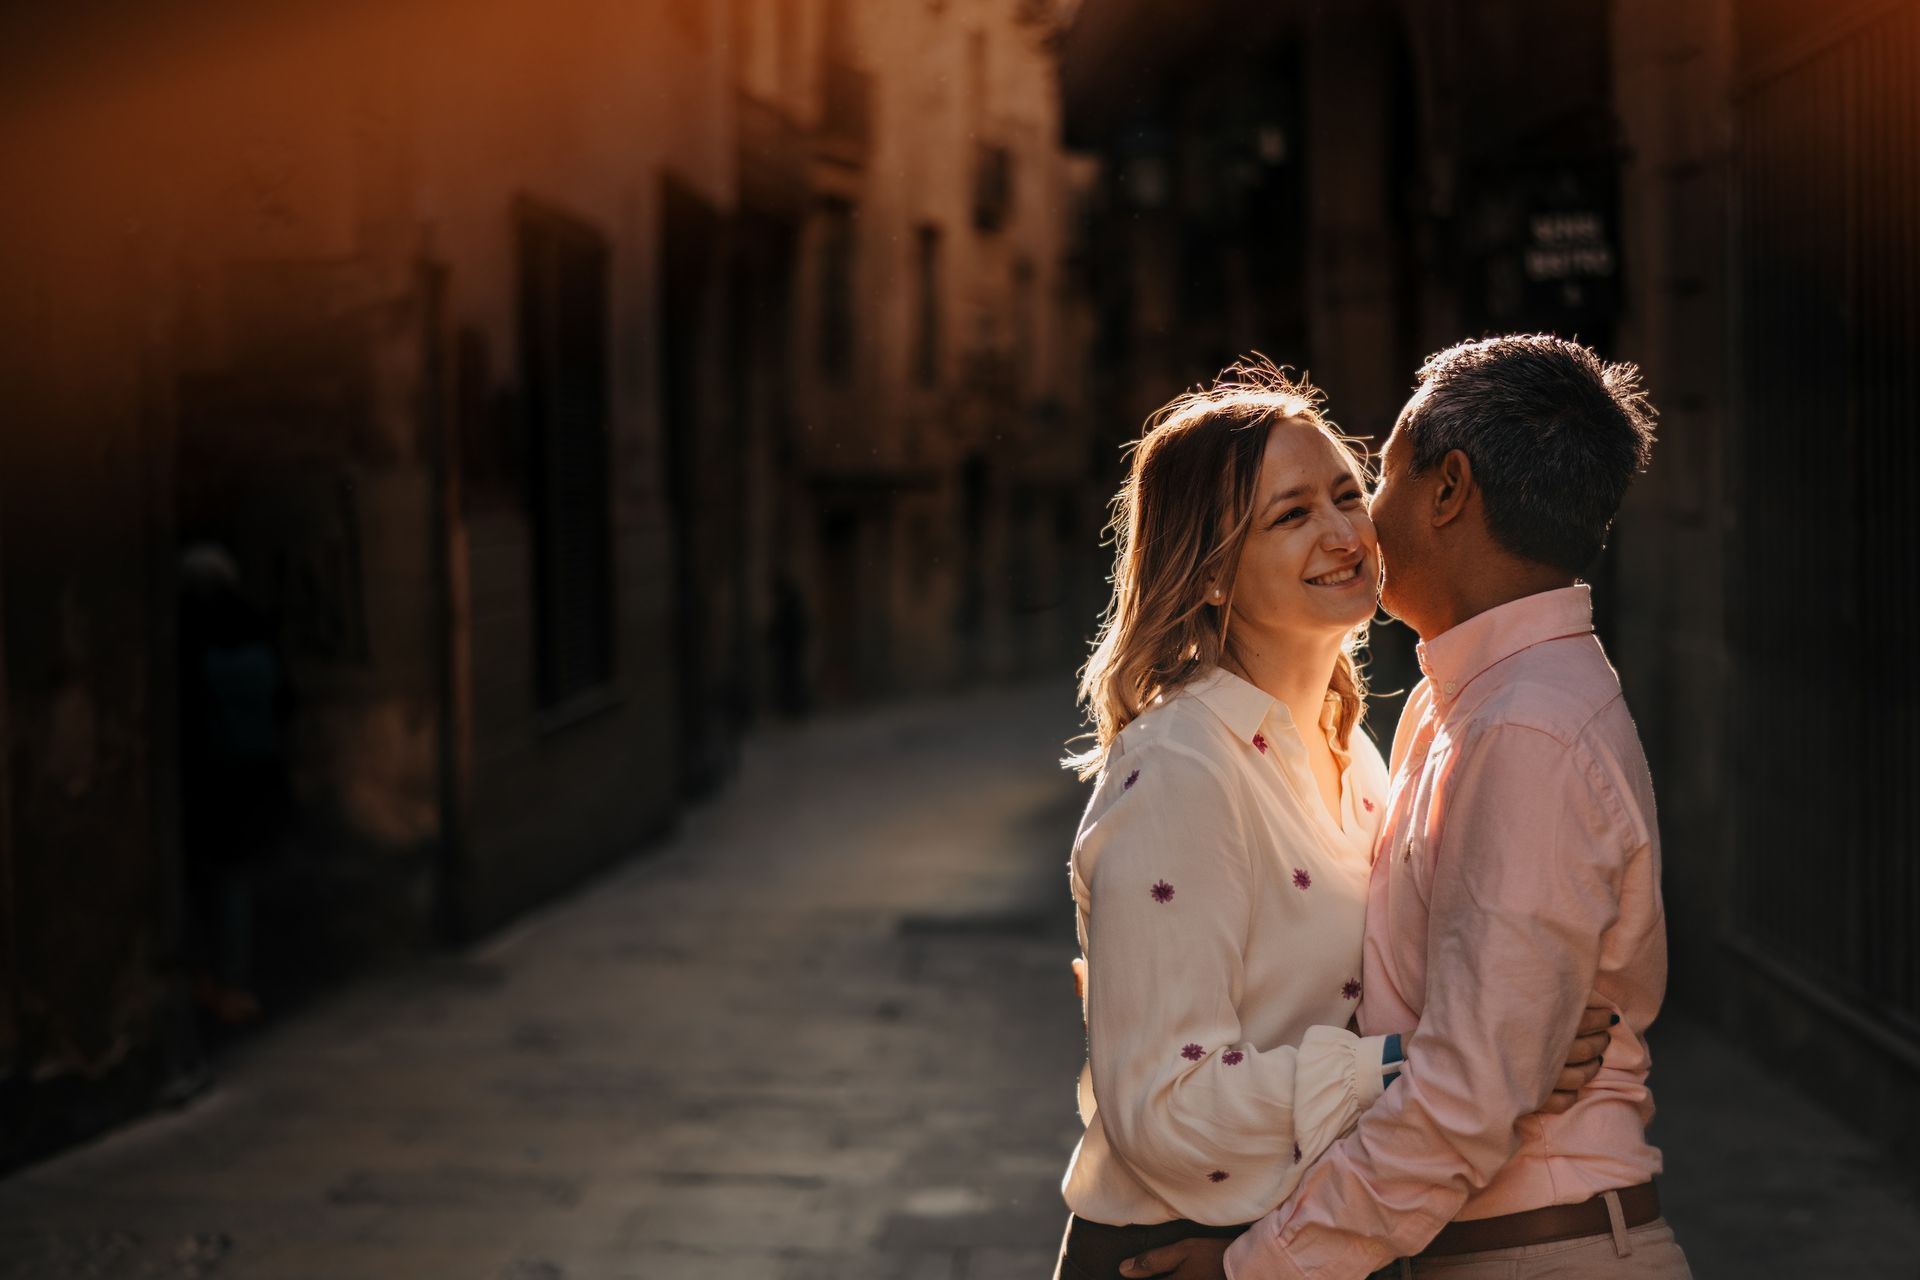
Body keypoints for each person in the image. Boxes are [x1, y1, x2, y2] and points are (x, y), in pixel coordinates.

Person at [1122, 335, 1692, 1279]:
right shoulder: (1449, 707)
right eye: (1298, 511)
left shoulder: (1526, 733)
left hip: (1546, 1253)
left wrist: (1255, 1270)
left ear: (1447, 491)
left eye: (1368, 481)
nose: (1359, 524)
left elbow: (1466, 1099)